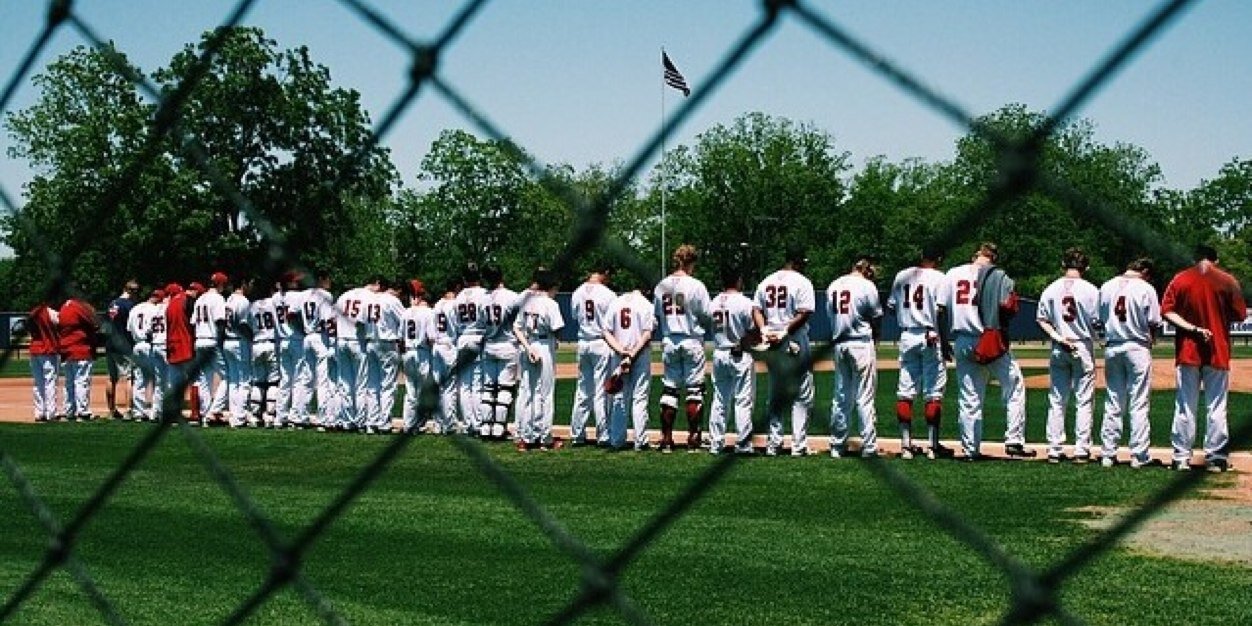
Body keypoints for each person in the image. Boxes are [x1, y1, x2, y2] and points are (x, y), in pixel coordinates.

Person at [1161, 244, 1247, 472]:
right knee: (1216, 406)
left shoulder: (1180, 279)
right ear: (1214, 260)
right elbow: (1240, 314)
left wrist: (1191, 327)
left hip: (1187, 349)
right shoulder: (1227, 280)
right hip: (1217, 348)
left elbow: (1167, 311)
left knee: (1185, 405)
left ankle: (1181, 457)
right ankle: (1216, 457)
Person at [945, 242, 1033, 461]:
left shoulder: (953, 273)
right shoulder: (997, 275)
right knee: (1014, 386)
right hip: (988, 337)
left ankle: (970, 450)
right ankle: (1014, 441)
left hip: (962, 339)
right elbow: (1007, 306)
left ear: (975, 255)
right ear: (993, 257)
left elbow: (941, 307)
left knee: (969, 397)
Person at [886, 247, 953, 459]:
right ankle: (933, 446)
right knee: (933, 392)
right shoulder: (939, 277)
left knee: (905, 392)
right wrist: (944, 341)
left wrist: (908, 313)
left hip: (907, 335)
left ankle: (906, 446)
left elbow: (891, 306)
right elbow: (941, 311)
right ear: (938, 258)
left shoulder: (902, 275)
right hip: (930, 334)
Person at [1036, 248, 1100, 464]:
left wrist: (1058, 337)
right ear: (1086, 267)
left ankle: (1054, 449)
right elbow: (1097, 322)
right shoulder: (1091, 290)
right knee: (1084, 400)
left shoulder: (1051, 288)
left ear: (1063, 265)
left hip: (1059, 344)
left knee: (1057, 399)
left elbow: (1042, 319)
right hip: (1081, 344)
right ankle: (1081, 449)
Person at [1097, 257, 1161, 469]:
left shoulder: (1107, 286)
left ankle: (1108, 454)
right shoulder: (1146, 288)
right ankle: (1139, 455)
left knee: (1113, 400)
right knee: (1139, 402)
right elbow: (1154, 321)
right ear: (1145, 271)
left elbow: (1099, 318)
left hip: (1113, 346)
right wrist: (1151, 339)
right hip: (1137, 346)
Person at [753, 246, 816, 457]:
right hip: (793, 340)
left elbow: (756, 309)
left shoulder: (767, 281)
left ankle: (774, 444)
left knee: (775, 392)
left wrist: (764, 330)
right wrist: (784, 331)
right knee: (802, 394)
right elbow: (804, 313)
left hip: (772, 342)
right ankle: (798, 445)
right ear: (797, 262)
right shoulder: (802, 282)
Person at [654, 244, 711, 453]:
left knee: (670, 390)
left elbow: (657, 314)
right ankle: (693, 439)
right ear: (691, 262)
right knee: (694, 391)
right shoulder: (696, 285)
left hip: (670, 339)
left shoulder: (661, 285)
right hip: (691, 339)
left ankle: (666, 439)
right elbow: (707, 314)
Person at [826, 257, 883, 459]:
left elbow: (831, 316)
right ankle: (869, 446)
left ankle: (837, 445)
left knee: (841, 395)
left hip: (840, 342)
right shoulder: (867, 286)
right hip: (860, 342)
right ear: (866, 270)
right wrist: (876, 337)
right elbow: (876, 317)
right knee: (864, 397)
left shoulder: (834, 285)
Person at [513, 268, 565, 450]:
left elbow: (517, 328)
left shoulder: (526, 302)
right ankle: (544, 438)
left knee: (528, 392)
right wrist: (556, 339)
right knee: (545, 394)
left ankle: (525, 438)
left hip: (528, 344)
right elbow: (558, 329)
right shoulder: (551, 304)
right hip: (544, 345)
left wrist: (528, 348)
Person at [707, 265, 758, 455]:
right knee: (743, 400)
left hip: (719, 351)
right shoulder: (745, 302)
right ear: (738, 280)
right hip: (739, 352)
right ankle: (743, 444)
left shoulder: (713, 302)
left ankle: (715, 443)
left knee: (720, 399)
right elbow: (753, 330)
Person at [568, 264, 617, 447]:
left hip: (583, 343)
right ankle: (603, 435)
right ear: (604, 273)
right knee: (601, 391)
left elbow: (575, 316)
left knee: (583, 391)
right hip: (601, 342)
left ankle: (577, 434)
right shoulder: (608, 294)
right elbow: (612, 324)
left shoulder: (577, 292)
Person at [603, 287, 656, 451]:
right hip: (640, 354)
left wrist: (621, 351)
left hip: (618, 354)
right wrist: (632, 354)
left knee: (619, 398)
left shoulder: (615, 303)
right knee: (639, 398)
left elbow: (606, 332)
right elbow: (647, 334)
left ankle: (616, 440)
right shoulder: (646, 304)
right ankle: (641, 441)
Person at [479, 264, 521, 440]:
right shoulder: (512, 297)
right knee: (505, 388)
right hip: (507, 345)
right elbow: (519, 323)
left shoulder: (482, 298)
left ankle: (485, 427)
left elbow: (481, 324)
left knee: (488, 388)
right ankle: (498, 428)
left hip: (489, 345)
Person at [334, 277, 376, 432]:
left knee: (344, 383)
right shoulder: (369, 296)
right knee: (361, 384)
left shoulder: (344, 296)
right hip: (357, 340)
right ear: (375, 284)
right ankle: (360, 421)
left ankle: (346, 420)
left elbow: (333, 319)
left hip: (341, 339)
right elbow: (362, 321)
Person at [452, 263, 490, 436]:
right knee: (477, 384)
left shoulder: (459, 296)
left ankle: (468, 424)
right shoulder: (484, 294)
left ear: (464, 278)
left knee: (464, 385)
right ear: (479, 276)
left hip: (462, 337)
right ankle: (478, 423)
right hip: (478, 337)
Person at [299, 272, 339, 428]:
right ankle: (323, 419)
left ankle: (301, 417)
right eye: (328, 278)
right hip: (320, 338)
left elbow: (292, 314)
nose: (330, 282)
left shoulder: (303, 294)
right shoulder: (325, 295)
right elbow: (328, 321)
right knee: (323, 381)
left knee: (307, 379)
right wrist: (333, 341)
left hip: (307, 337)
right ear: (321, 279)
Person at [367, 277, 406, 434]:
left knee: (372, 384)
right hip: (387, 342)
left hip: (371, 341)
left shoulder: (372, 298)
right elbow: (404, 320)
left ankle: (371, 422)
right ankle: (383, 423)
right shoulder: (392, 300)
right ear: (398, 290)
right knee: (388, 385)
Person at [192, 273, 230, 425]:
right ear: (220, 284)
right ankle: (214, 410)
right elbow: (220, 322)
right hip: (212, 339)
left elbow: (193, 323)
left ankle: (205, 412)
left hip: (199, 339)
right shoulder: (218, 298)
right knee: (227, 377)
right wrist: (221, 343)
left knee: (204, 379)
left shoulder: (200, 299)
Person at [58, 287, 100, 421]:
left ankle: (69, 411)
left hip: (66, 349)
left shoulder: (64, 307)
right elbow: (95, 323)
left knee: (69, 383)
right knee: (82, 381)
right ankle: (83, 411)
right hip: (81, 348)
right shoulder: (79, 306)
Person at [400, 280, 437, 434]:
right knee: (422, 390)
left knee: (410, 390)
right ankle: (418, 422)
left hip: (408, 351)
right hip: (422, 352)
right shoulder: (428, 312)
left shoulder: (405, 312)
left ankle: (408, 424)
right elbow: (431, 338)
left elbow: (400, 338)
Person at [220, 277, 255, 427]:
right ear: (243, 283)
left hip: (227, 340)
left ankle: (234, 415)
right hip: (239, 341)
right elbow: (242, 324)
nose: (251, 287)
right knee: (244, 380)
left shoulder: (228, 300)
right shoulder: (243, 301)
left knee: (233, 381)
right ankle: (240, 416)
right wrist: (252, 338)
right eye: (249, 283)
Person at [126, 288, 165, 422]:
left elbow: (129, 329)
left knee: (139, 379)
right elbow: (151, 330)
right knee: (156, 378)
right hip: (149, 345)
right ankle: (155, 410)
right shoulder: (155, 309)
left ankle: (138, 412)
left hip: (137, 345)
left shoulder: (135, 308)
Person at [103, 280, 140, 420]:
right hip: (124, 344)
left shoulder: (112, 303)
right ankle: (129, 410)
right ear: (131, 291)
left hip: (110, 343)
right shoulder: (130, 306)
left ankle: (111, 411)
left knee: (111, 378)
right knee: (130, 377)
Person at [429, 282, 462, 433]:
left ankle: (437, 424)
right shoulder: (454, 305)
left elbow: (430, 332)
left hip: (436, 346)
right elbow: (459, 327)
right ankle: (448, 424)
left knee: (438, 386)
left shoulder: (437, 305)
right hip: (449, 345)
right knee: (449, 387)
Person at [247, 281, 281, 426]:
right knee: (273, 381)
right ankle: (270, 415)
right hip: (271, 342)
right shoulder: (273, 303)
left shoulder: (252, 306)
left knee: (258, 381)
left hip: (256, 343)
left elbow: (247, 325)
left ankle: (255, 415)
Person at [164, 282, 196, 422]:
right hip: (186, 343)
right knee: (195, 380)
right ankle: (196, 412)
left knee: (174, 382)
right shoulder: (185, 300)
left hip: (172, 345)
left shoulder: (169, 305)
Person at [26, 295, 61, 422]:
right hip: (48, 349)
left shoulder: (32, 313)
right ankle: (51, 412)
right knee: (50, 382)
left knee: (38, 383)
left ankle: (39, 413)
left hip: (34, 349)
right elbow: (61, 325)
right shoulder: (51, 313)